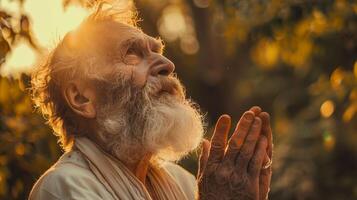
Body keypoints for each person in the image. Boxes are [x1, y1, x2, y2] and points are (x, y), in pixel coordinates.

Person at [29, 2, 273, 200]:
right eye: (132, 53)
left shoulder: (184, 183)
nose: (167, 65)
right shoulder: (63, 187)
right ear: (82, 98)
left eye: (158, 51)